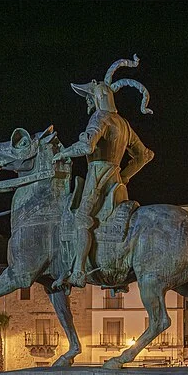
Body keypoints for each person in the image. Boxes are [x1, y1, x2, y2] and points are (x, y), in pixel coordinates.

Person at [50, 55, 154, 290]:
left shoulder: (100, 117)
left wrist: (61, 154)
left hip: (97, 176)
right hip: (116, 180)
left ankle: (79, 271)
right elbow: (145, 155)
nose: (88, 103)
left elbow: (87, 146)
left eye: (89, 98)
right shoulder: (124, 124)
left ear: (97, 97)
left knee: (82, 220)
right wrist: (124, 175)